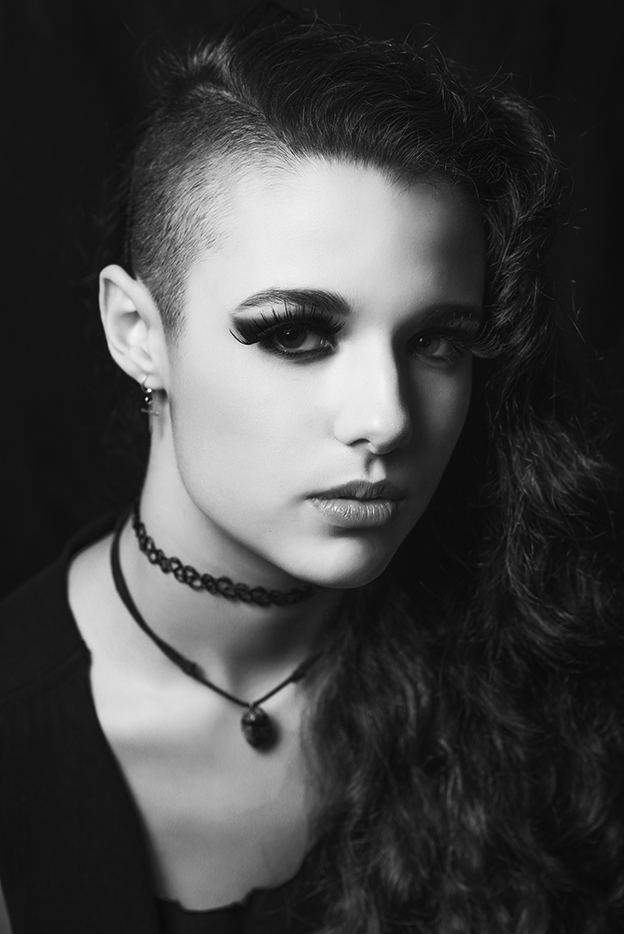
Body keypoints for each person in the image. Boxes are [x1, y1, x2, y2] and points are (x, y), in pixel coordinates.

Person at [1, 4, 622, 933]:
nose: (386, 417)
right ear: (137, 332)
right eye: (296, 333)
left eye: (439, 341)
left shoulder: (539, 657)